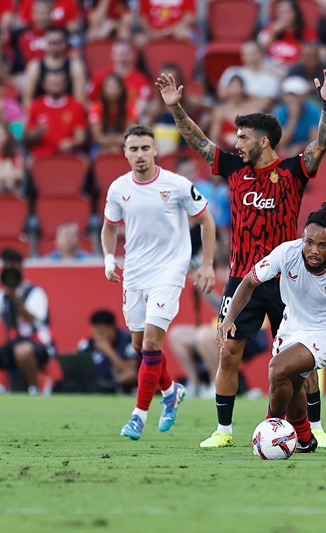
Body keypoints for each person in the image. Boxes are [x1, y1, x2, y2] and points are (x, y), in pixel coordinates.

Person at [157, 68, 326, 449]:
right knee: (228, 352)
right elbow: (198, 141)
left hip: (289, 281)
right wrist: (176, 110)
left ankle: (316, 426)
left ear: (264, 140)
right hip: (242, 279)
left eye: (243, 137)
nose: (235, 142)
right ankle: (223, 431)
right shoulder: (234, 169)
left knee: (301, 359)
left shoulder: (292, 171)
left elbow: (321, 144)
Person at [218, 203, 326, 453]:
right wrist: (229, 319)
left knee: (278, 369)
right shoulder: (286, 253)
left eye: (322, 245)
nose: (313, 250)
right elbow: (249, 282)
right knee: (290, 382)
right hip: (292, 327)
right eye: (309, 242)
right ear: (303, 237)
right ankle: (304, 438)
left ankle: (271, 431)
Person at [101, 124, 217, 440]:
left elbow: (206, 219)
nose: (139, 154)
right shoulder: (118, 189)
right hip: (135, 274)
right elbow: (109, 227)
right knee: (140, 346)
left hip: (169, 272)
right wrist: (110, 260)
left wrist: (206, 264)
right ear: (125, 153)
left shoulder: (177, 185)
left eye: (145, 148)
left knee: (151, 343)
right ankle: (170, 391)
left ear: (155, 150)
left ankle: (138, 416)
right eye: (133, 149)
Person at [167, 249, 268, 399]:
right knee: (177, 335)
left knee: (204, 335)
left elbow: (225, 309)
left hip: (249, 335)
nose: (216, 273)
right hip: (224, 332)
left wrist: (201, 285)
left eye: (219, 269)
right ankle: (195, 385)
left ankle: (217, 385)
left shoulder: (244, 283)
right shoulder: (227, 287)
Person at [0, 248, 54, 395]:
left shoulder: (35, 292)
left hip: (37, 346)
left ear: (21, 267)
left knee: (22, 351)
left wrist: (16, 299)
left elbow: (34, 319)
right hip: (12, 346)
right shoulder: (2, 295)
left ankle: (34, 391)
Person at [25, 70, 88, 159]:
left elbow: (80, 137)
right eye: (51, 82)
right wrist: (36, 133)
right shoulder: (35, 106)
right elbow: (27, 138)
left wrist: (72, 143)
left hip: (69, 153)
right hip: (42, 153)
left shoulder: (76, 106)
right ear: (43, 84)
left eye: (59, 82)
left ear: (66, 84)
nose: (55, 85)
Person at [22, 26, 87, 109]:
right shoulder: (34, 66)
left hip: (67, 115)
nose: (54, 47)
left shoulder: (75, 66)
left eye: (58, 43)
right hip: (42, 115)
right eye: (51, 43)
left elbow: (79, 99)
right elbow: (27, 99)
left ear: (65, 43)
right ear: (46, 43)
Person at [77, 309, 138, 392]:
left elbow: (130, 372)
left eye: (102, 330)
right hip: (94, 385)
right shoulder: (88, 344)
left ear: (111, 328)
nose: (98, 334)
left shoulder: (128, 341)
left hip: (118, 386)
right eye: (95, 330)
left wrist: (108, 350)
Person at [87, 41, 152, 114]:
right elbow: (89, 100)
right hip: (104, 118)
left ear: (132, 55)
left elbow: (144, 104)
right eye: (119, 54)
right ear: (112, 55)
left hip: (131, 119)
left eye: (125, 54)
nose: (122, 58)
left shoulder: (141, 80)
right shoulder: (99, 76)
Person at [218, 40, 280, 112]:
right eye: (245, 54)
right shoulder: (231, 72)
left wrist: (239, 95)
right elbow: (222, 95)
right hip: (229, 114)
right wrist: (253, 97)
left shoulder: (271, 79)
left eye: (252, 54)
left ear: (261, 55)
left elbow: (265, 104)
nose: (248, 58)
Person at [209, 75, 265, 152]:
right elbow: (214, 137)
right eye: (233, 87)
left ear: (243, 89)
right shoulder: (220, 111)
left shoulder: (252, 110)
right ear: (228, 89)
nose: (235, 91)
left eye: (238, 87)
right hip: (226, 152)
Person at [258, 0, 318, 69]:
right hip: (270, 69)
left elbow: (311, 56)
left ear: (295, 13)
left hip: (295, 70)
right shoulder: (269, 29)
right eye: (280, 12)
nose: (283, 15)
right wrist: (273, 33)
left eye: (286, 12)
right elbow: (259, 49)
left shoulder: (307, 32)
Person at [89, 73, 138, 156]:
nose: (112, 90)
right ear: (103, 90)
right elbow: (97, 136)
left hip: (123, 143)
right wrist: (110, 145)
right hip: (101, 143)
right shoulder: (96, 106)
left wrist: (116, 145)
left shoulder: (129, 106)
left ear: (121, 89)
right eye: (109, 86)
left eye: (115, 87)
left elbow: (130, 133)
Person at [275, 76, 322, 158]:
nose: (291, 99)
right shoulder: (280, 112)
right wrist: (293, 117)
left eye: (295, 95)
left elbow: (314, 141)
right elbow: (281, 142)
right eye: (288, 95)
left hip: (307, 154)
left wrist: (300, 147)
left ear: (303, 96)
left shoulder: (314, 111)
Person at [14, 0, 54, 68]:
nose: (42, 17)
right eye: (39, 13)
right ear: (33, 14)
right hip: (27, 73)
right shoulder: (22, 34)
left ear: (51, 14)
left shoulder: (59, 34)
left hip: (53, 73)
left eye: (45, 13)